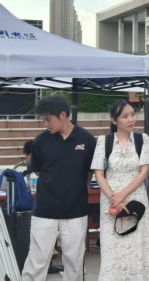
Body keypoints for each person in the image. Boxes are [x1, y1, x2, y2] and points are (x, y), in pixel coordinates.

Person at [22, 96, 96, 282]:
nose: (45, 124)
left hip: (76, 210)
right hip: (44, 210)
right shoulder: (40, 141)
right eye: (43, 119)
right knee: (37, 261)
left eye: (48, 119)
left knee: (74, 261)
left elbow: (89, 172)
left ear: (63, 115)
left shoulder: (87, 139)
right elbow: (38, 171)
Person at [91, 101, 149, 281]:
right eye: (125, 116)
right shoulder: (104, 141)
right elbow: (99, 174)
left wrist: (122, 195)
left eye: (132, 114)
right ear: (114, 120)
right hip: (111, 202)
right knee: (112, 248)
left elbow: (144, 172)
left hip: (136, 199)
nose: (131, 119)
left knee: (138, 246)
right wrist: (113, 197)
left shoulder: (142, 140)